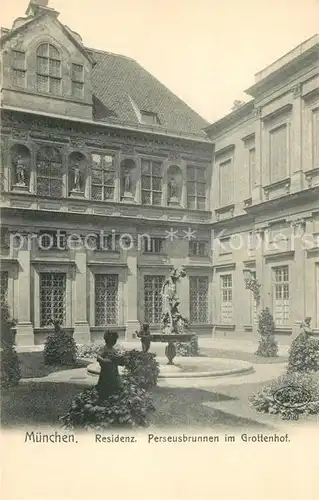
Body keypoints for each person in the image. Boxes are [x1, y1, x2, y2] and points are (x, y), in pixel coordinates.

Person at [96, 330, 125, 401]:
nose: (114, 342)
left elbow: (118, 361)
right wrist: (104, 361)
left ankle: (112, 400)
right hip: (105, 373)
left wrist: (121, 360)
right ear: (107, 340)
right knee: (105, 387)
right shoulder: (104, 349)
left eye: (115, 340)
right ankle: (103, 400)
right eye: (113, 340)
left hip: (114, 372)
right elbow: (98, 357)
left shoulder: (114, 350)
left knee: (115, 387)